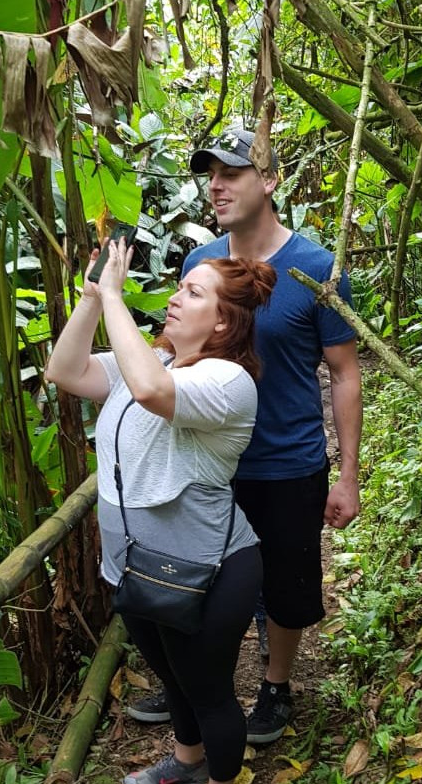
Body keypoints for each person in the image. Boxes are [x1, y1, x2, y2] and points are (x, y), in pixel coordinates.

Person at [127, 128, 363, 743]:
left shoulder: (315, 269)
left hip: (285, 462)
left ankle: (277, 685)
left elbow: (343, 374)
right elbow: (174, 348)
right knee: (199, 578)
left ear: (270, 181)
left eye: (232, 172)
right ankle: (198, 688)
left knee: (285, 586)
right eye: (211, 174)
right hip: (206, 460)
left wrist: (348, 477)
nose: (217, 185)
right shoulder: (200, 263)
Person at [46, 237, 276, 784]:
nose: (175, 298)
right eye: (179, 287)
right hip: (139, 566)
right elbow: (65, 370)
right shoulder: (152, 362)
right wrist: (95, 297)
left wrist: (119, 299)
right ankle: (186, 761)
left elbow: (152, 392)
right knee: (172, 678)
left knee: (208, 688)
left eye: (192, 292)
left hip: (209, 568)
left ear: (222, 323)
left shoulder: (227, 382)